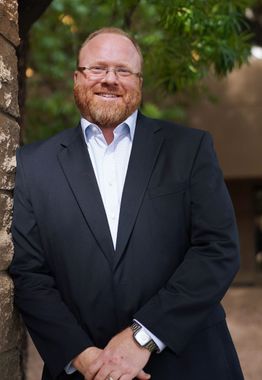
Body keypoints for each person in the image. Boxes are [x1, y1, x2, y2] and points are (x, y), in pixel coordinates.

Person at [10, 27, 244, 380]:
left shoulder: (189, 150)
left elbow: (217, 250)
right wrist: (84, 356)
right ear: (77, 77)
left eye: (123, 70)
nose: (109, 79)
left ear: (139, 82)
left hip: (192, 362)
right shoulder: (34, 164)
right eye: (97, 68)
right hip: (84, 370)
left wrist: (143, 338)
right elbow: (29, 273)